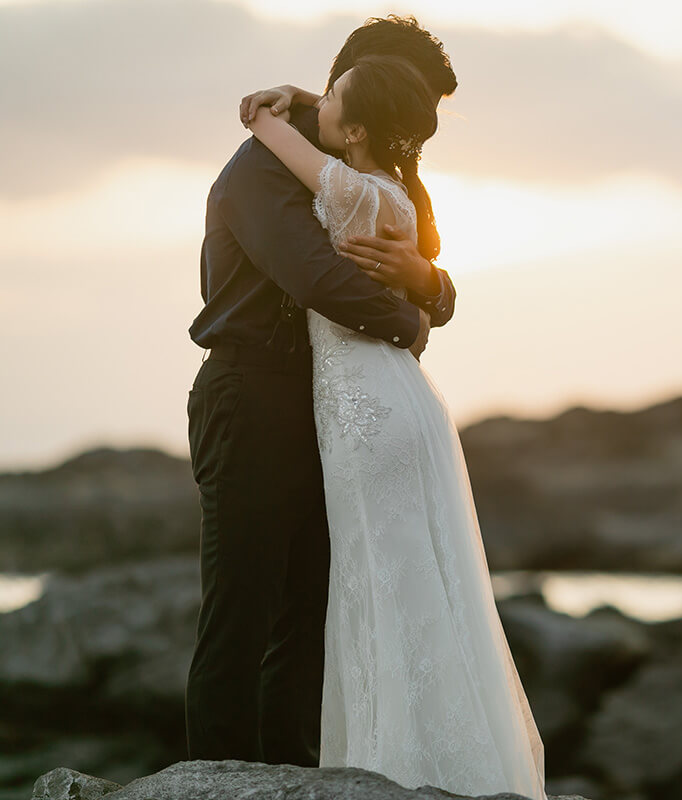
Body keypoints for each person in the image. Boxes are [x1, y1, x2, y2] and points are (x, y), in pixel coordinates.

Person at [230, 17, 547, 800]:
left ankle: (396, 765)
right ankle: (412, 760)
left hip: (366, 410)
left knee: (385, 578)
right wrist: (316, 101)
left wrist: (421, 291)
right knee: (398, 578)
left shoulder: (357, 179)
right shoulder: (386, 183)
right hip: (377, 402)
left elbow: (425, 276)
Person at [185, 15, 454, 772]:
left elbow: (428, 263)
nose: (416, 139)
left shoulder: (373, 163)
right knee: (241, 612)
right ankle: (217, 782)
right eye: (409, 102)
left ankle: (291, 778)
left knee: (309, 613)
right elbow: (318, 279)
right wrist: (412, 318)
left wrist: (427, 286)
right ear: (365, 84)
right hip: (250, 391)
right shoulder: (261, 169)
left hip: (329, 407)